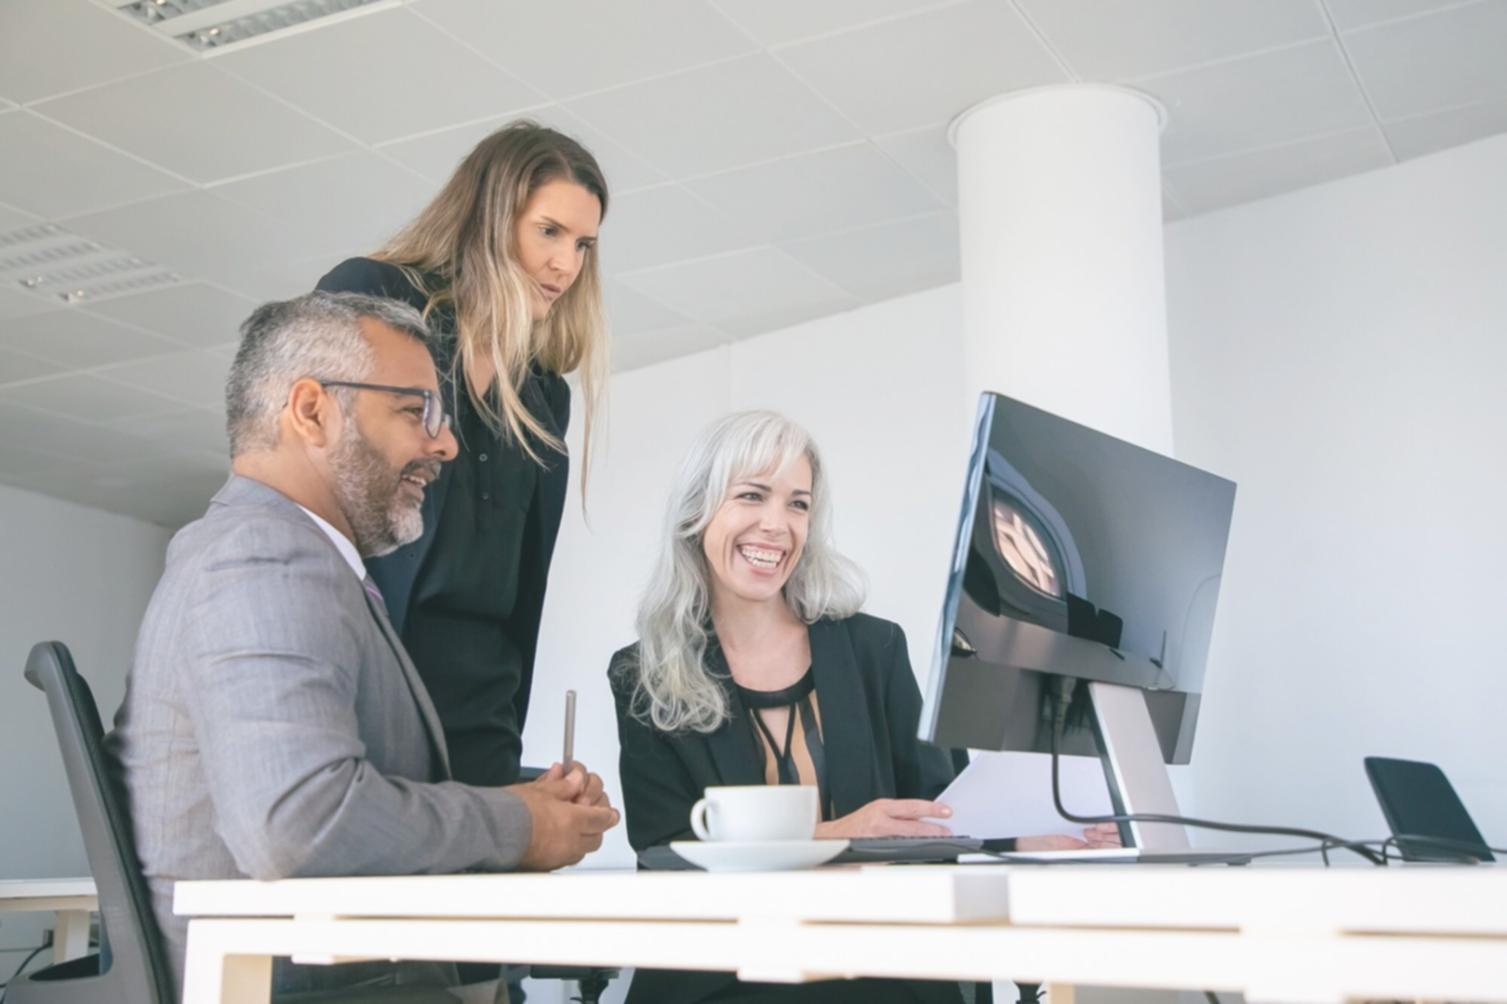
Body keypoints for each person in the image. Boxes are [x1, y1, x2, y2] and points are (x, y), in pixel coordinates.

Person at [107, 292, 618, 1001]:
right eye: (415, 412)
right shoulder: (262, 558)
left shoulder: (293, 561)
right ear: (311, 411)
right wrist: (517, 824)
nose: (444, 444)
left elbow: (329, 806)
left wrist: (516, 810)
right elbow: (299, 826)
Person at [609, 411, 1116, 1004]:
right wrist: (839, 838)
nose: (777, 525)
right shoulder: (643, 674)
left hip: (871, 964)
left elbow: (941, 808)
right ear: (698, 514)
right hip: (727, 974)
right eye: (752, 496)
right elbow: (665, 859)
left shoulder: (874, 648)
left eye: (798, 504)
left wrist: (1014, 840)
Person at [315, 120, 608, 788]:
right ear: (489, 217)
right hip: (365, 701)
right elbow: (302, 487)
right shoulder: (376, 298)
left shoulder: (543, 395)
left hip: (482, 722)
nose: (567, 265)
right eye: (549, 231)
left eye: (584, 244)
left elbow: (515, 595)